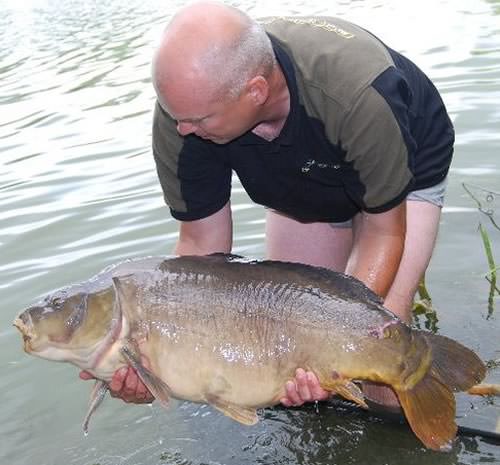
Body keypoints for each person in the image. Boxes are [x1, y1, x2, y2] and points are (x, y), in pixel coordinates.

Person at [81, 1, 454, 410]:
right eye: (177, 117)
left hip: (398, 185)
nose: (184, 130)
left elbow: (384, 231)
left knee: (381, 371)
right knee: (281, 360)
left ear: (256, 91)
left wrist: (339, 341)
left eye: (200, 121)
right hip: (300, 187)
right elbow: (200, 251)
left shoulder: (359, 94)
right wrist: (152, 367)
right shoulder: (185, 113)